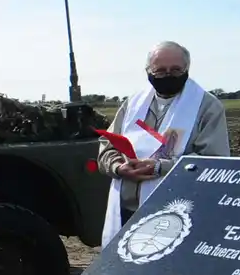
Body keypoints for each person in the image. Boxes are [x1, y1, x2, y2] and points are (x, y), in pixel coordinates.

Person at [97, 41, 230, 247]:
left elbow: (215, 162)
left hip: (175, 213)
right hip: (126, 210)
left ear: (187, 69)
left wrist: (161, 167)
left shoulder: (207, 106)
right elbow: (108, 144)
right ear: (148, 71)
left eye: (176, 70)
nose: (168, 76)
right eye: (160, 71)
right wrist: (118, 167)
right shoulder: (133, 104)